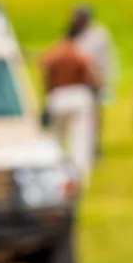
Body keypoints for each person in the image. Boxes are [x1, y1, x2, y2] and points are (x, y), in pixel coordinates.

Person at [40, 13, 103, 183]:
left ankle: (52, 178)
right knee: (80, 143)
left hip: (57, 97)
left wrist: (46, 101)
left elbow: (46, 80)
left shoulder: (53, 53)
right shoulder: (79, 53)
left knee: (55, 142)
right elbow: (94, 78)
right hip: (79, 97)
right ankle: (78, 181)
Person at [70, 4, 119, 160]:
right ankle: (82, 148)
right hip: (78, 82)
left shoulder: (99, 34)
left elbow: (107, 57)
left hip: (96, 80)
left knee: (96, 116)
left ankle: (96, 148)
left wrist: (107, 80)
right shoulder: (72, 34)